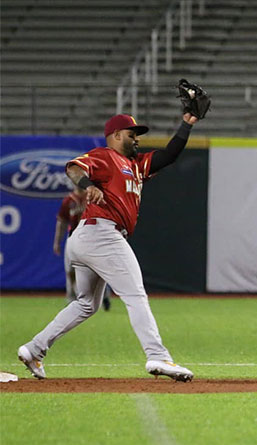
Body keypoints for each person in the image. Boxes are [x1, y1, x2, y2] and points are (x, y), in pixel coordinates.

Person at [17, 112, 199, 381]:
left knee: (86, 304)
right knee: (135, 295)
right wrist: (88, 185)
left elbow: (169, 155)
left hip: (88, 238)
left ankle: (34, 349)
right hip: (101, 234)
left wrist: (188, 123)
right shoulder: (105, 156)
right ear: (115, 135)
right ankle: (157, 356)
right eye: (131, 133)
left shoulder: (136, 165)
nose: (136, 138)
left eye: (137, 134)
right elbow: (74, 168)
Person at [53, 190, 111, 311]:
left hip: (92, 238)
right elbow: (62, 222)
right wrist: (57, 242)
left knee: (99, 270)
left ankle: (104, 296)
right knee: (70, 271)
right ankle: (72, 299)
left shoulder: (93, 196)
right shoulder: (69, 200)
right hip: (73, 237)